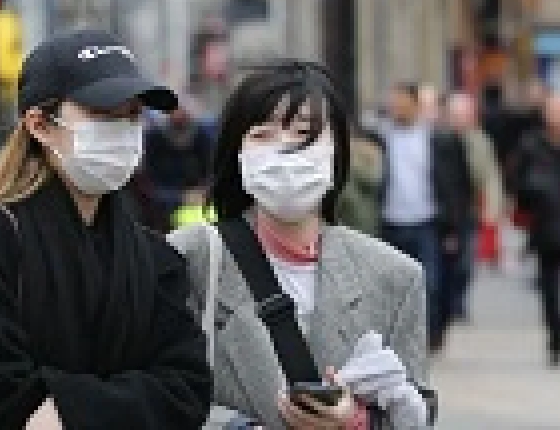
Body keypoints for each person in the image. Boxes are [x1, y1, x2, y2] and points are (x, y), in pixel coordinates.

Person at [0, 28, 212, 429]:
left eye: (132, 115)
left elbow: (188, 391)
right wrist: (129, 399)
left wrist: (64, 408)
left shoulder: (153, 255)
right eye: (103, 113)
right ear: (40, 124)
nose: (124, 131)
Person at [171, 61, 432, 430]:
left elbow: (418, 410)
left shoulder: (394, 277)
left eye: (304, 133)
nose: (285, 152)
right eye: (263, 134)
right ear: (237, 154)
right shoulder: (189, 258)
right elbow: (157, 394)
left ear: (337, 152)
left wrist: (354, 420)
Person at [378, 83, 473, 354]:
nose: (398, 109)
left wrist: (454, 225)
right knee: (392, 286)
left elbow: (457, 184)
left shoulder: (439, 140)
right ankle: (397, 338)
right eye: (394, 104)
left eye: (403, 103)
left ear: (416, 106)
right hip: (391, 220)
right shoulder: (383, 138)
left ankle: (429, 336)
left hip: (427, 221)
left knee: (430, 283)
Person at [507, 93, 560, 366]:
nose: (557, 117)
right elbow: (516, 180)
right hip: (545, 225)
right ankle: (554, 338)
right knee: (550, 288)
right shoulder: (530, 145)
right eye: (552, 111)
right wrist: (528, 199)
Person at [446, 92, 504, 320]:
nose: (459, 120)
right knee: (448, 261)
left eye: (463, 115)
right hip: (447, 210)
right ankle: (450, 302)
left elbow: (490, 175)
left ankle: (459, 300)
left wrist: (492, 207)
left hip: (469, 209)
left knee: (465, 262)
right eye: (455, 115)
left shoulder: (480, 141)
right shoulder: (440, 140)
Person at [144, 105, 214, 231]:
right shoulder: (155, 136)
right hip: (163, 192)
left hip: (196, 192)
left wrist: (202, 190)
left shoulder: (201, 135)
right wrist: (178, 197)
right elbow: (149, 177)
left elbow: (210, 169)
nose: (179, 114)